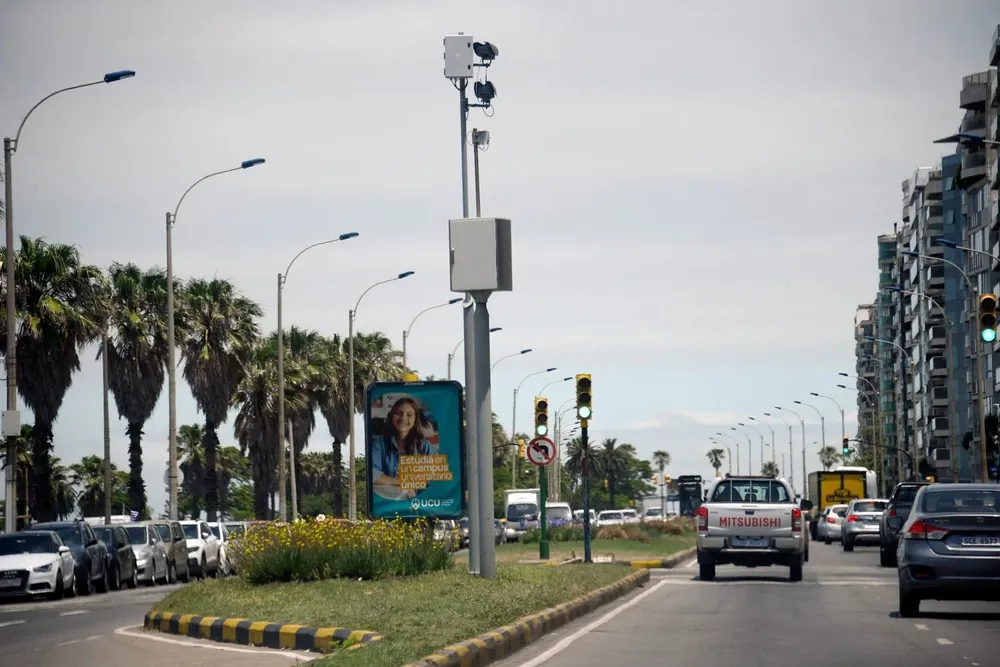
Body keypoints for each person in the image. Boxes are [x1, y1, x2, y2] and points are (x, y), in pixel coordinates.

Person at [371, 396, 435, 499]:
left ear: (415, 420)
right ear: (392, 417)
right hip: (388, 502)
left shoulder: (425, 446)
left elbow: (434, 477)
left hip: (420, 503)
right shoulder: (380, 444)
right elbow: (372, 474)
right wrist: (401, 482)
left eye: (409, 415)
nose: (403, 418)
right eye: (398, 413)